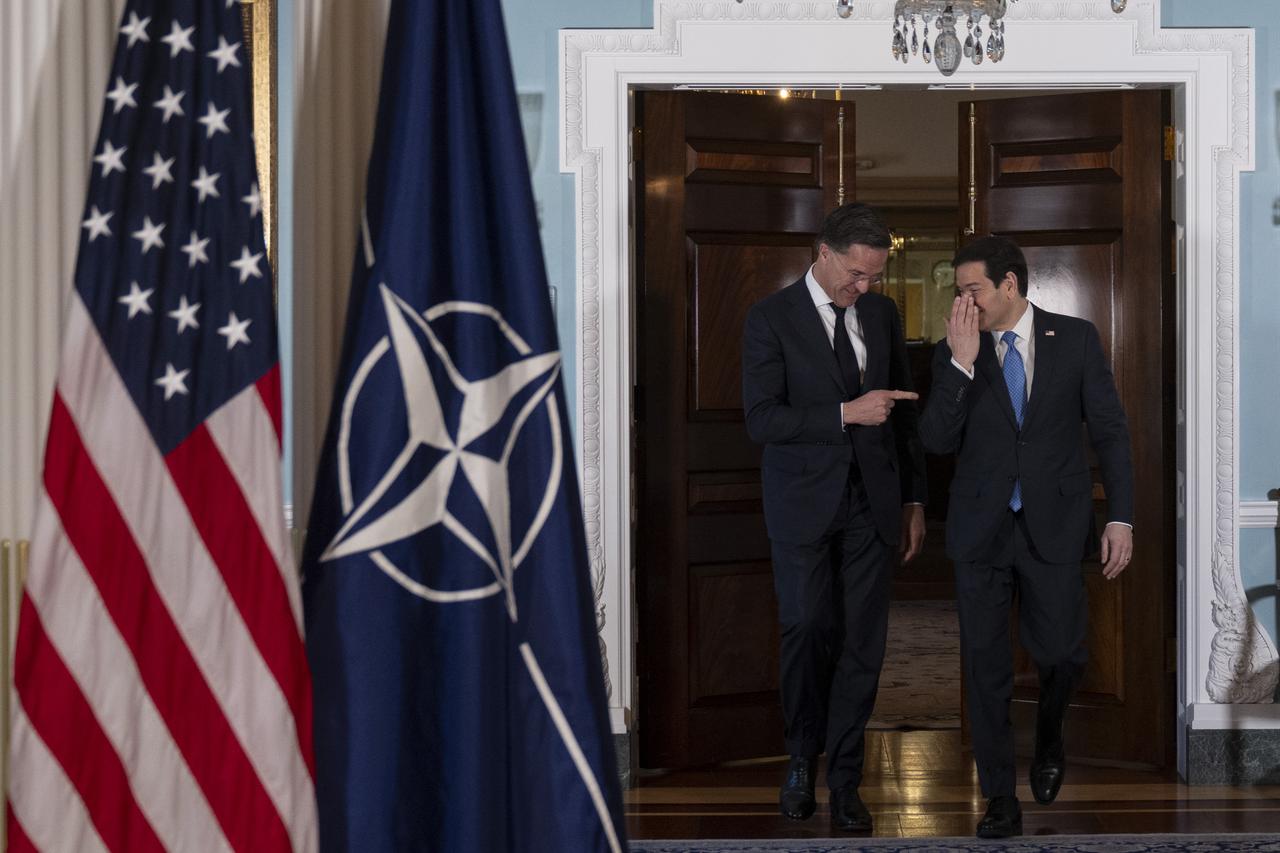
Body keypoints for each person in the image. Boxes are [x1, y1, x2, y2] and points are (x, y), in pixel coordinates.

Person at [918, 235, 1134, 839]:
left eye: (972, 290)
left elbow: (1111, 432)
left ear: (1009, 285)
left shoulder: (1077, 339)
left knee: (1063, 653)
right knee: (984, 668)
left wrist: (1121, 516)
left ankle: (1047, 734)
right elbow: (935, 440)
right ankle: (998, 798)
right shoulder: (952, 351)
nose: (963, 301)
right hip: (979, 532)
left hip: (1057, 526)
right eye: (957, 291)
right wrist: (961, 365)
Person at [742, 202, 927, 832]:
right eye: (855, 274)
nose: (864, 287)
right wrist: (844, 415)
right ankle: (800, 760)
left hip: (871, 505)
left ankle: (846, 779)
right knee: (805, 629)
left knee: (863, 646)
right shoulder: (769, 319)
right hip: (800, 505)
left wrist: (913, 500)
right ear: (823, 253)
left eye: (873, 276)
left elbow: (903, 417)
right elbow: (761, 419)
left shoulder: (882, 313)